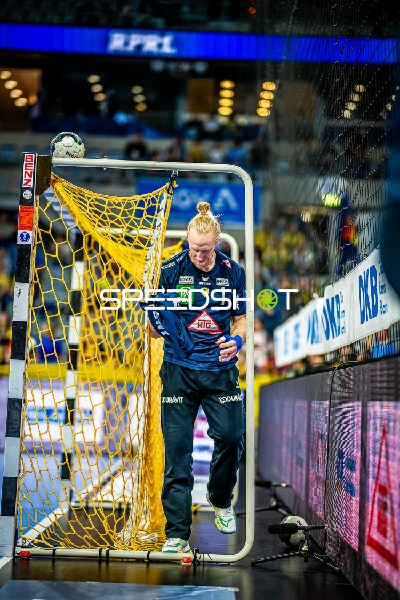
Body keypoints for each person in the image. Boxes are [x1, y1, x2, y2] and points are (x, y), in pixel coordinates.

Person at [149, 202, 247, 553]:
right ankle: (177, 534)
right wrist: (162, 322)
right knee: (177, 453)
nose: (200, 256)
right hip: (179, 370)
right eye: (194, 249)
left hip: (220, 371)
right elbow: (153, 329)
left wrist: (237, 341)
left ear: (217, 243)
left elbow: (240, 320)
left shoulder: (233, 272)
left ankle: (219, 499)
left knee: (232, 437)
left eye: (206, 250)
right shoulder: (170, 270)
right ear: (188, 243)